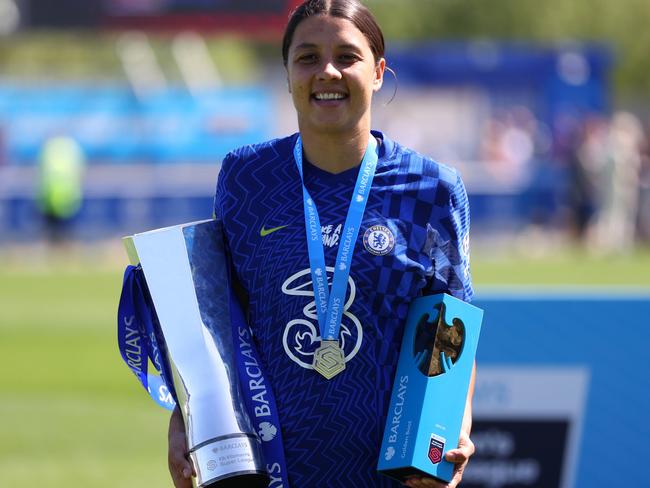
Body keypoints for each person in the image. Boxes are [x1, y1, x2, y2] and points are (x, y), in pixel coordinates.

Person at [168, 1, 476, 486]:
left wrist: (453, 427)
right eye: (308, 57)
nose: (326, 71)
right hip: (272, 470)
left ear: (377, 72)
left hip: (391, 473)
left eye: (347, 57)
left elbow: (449, 324)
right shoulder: (246, 178)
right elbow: (219, 326)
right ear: (288, 73)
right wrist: (184, 423)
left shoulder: (430, 188)